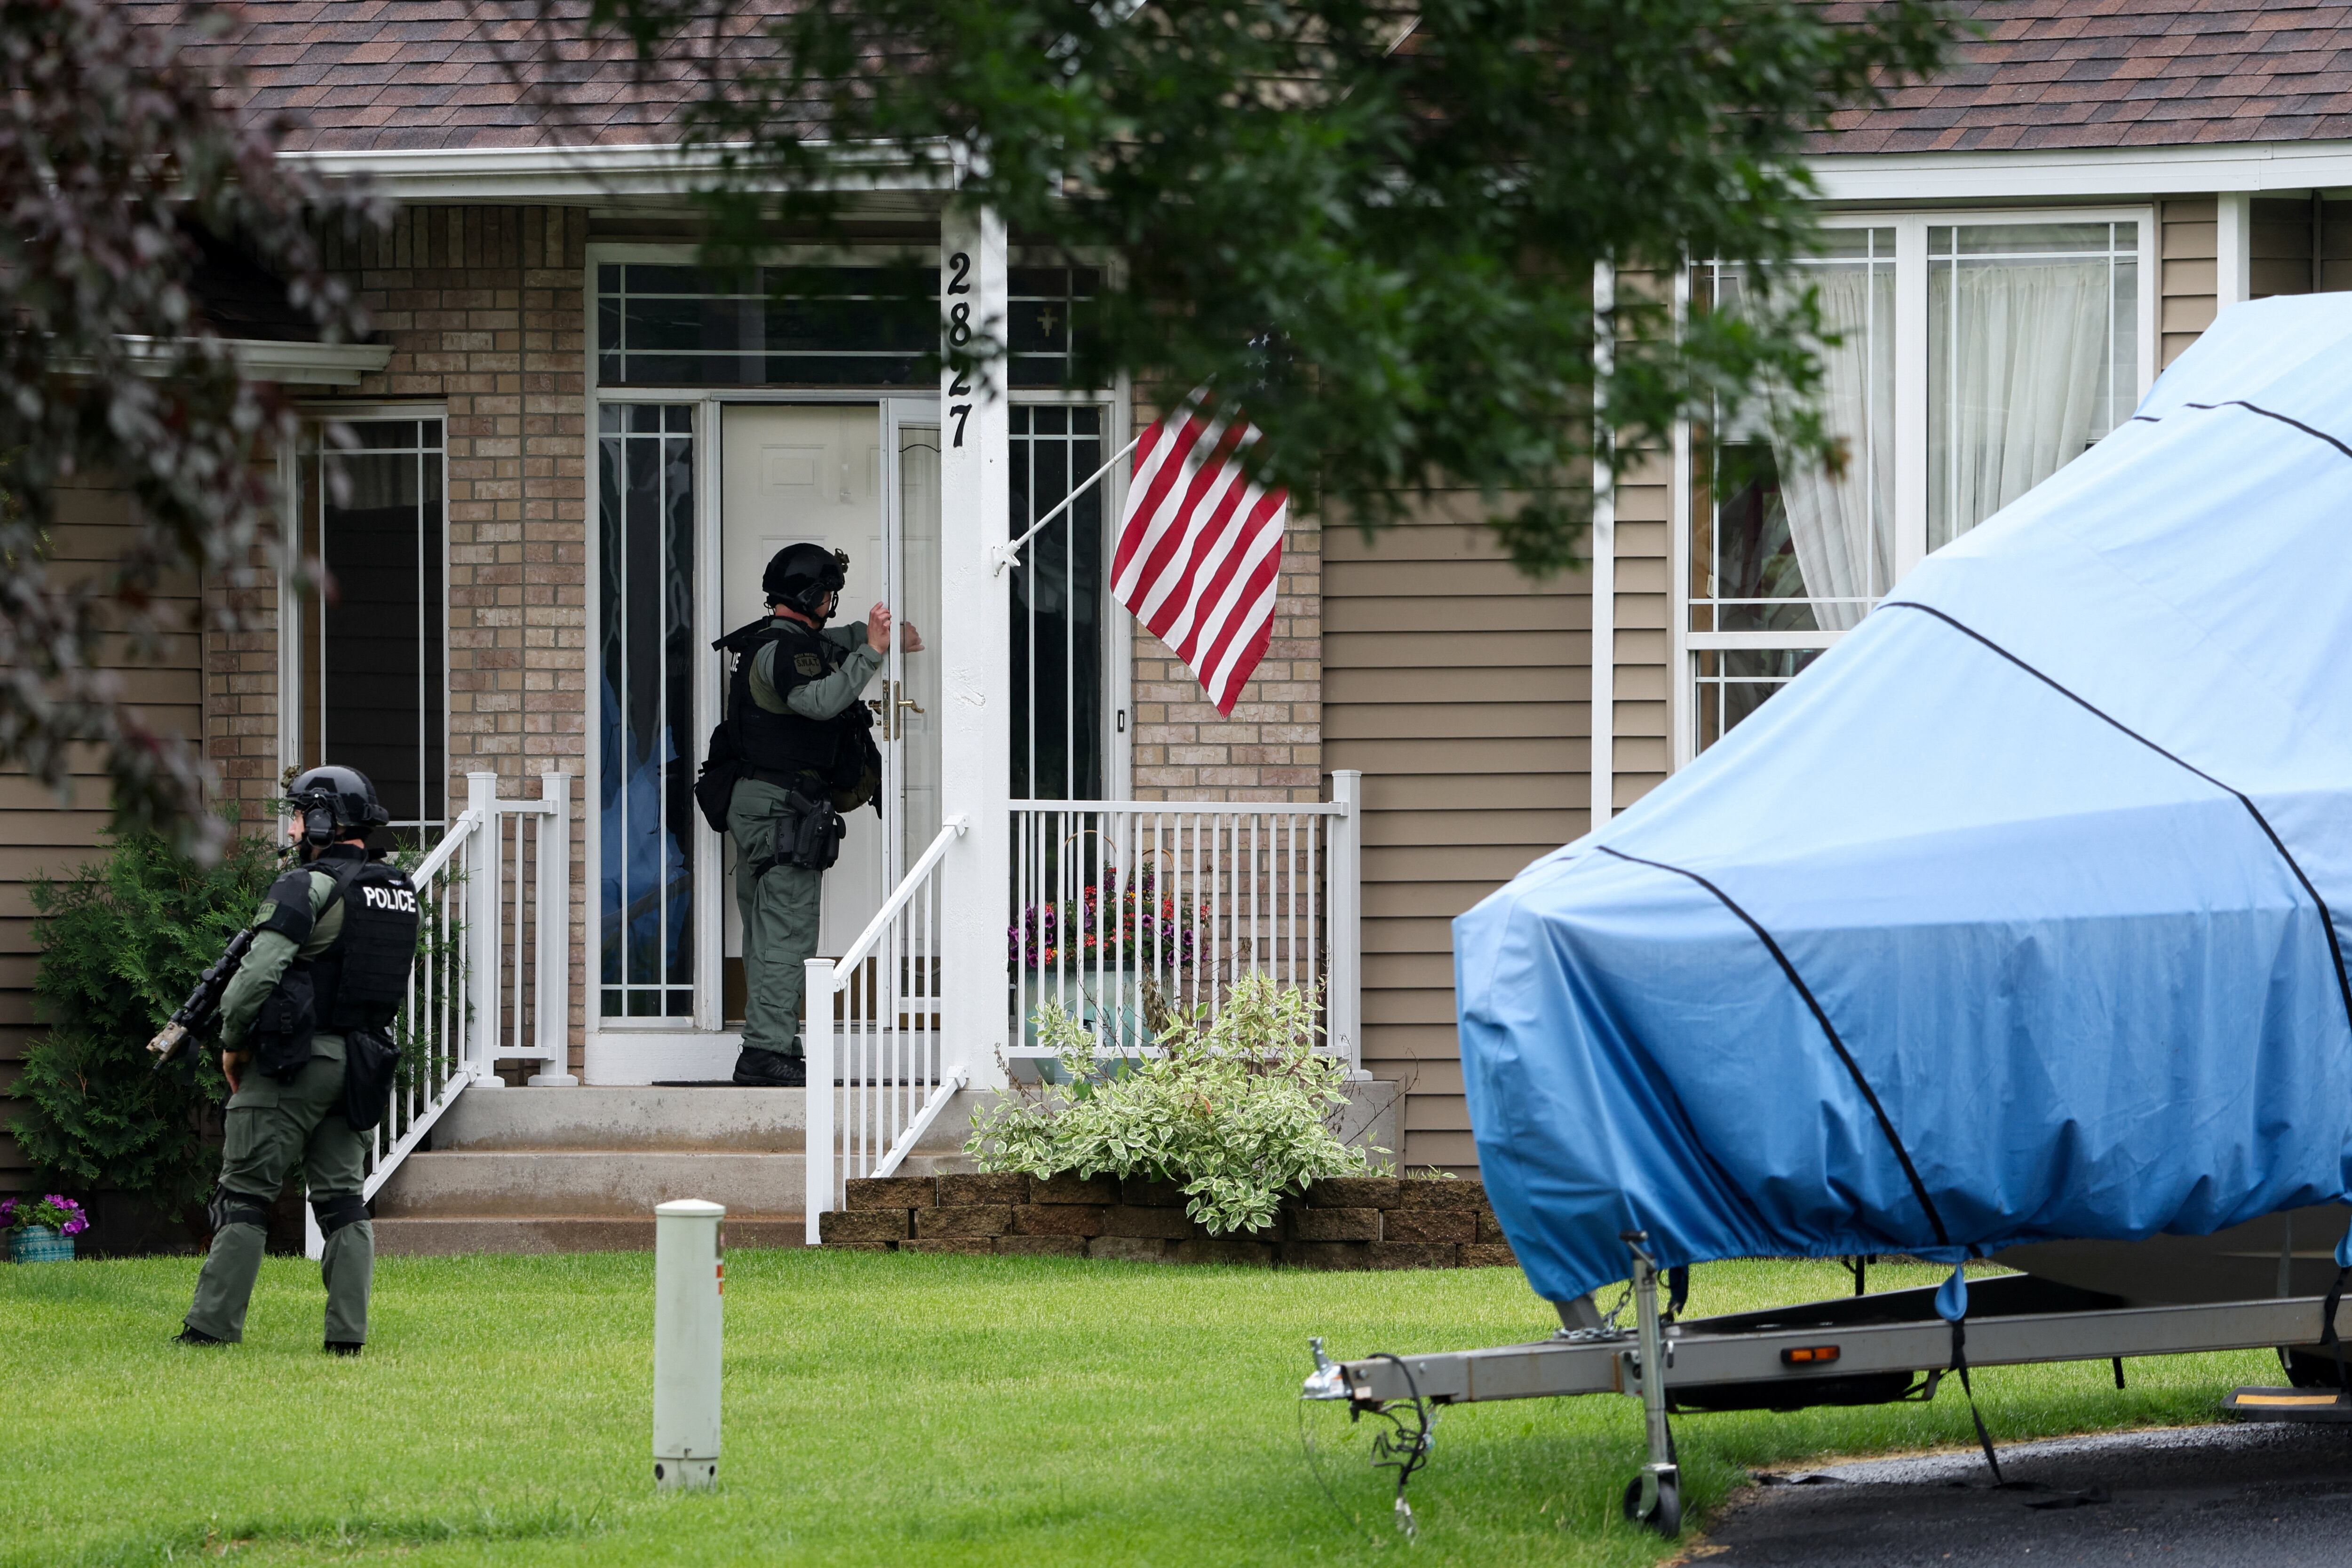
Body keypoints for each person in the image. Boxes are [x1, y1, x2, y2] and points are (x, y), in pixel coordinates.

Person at [177, 766, 419, 1354]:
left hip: (294, 1062)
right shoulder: (397, 889)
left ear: (321, 819)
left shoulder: (306, 886)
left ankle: (210, 1330)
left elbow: (252, 979)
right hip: (361, 1065)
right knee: (342, 1200)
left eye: (296, 813)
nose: (289, 826)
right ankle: (347, 1340)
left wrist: (234, 1043)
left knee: (244, 1195)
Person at [722, 543, 920, 1087]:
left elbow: (833, 641)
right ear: (812, 596)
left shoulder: (776, 640)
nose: (831, 605)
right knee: (787, 931)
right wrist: (872, 656)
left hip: (760, 802)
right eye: (828, 595)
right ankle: (766, 1052)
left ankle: (770, 1043)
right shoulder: (785, 654)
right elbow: (818, 701)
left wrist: (881, 636)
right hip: (781, 808)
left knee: (766, 932)